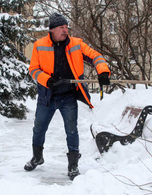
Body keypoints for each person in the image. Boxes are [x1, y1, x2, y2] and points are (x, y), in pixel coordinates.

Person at [24, 12, 111, 180]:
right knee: (39, 128)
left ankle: (73, 165)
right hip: (47, 96)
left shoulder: (76, 44)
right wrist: (46, 80)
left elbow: (95, 56)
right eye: (61, 28)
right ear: (52, 30)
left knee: (72, 131)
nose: (65, 30)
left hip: (68, 97)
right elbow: (33, 70)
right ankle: (37, 157)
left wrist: (103, 72)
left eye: (66, 27)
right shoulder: (39, 45)